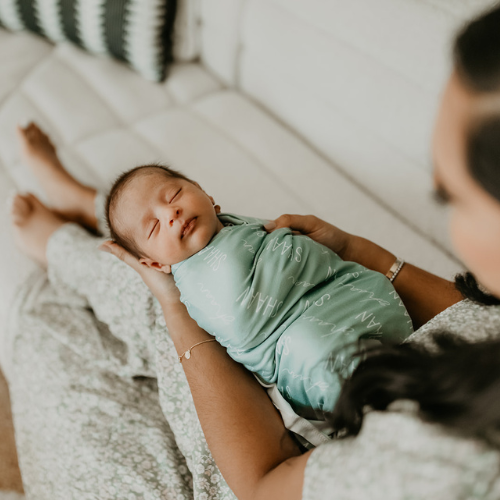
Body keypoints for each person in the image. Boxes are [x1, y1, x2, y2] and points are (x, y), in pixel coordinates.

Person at [7, 4, 500, 499]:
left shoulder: (437, 464)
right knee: (198, 243)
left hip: (272, 458)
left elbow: (263, 484)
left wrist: (175, 306)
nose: (451, 226)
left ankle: (66, 241)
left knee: (130, 303)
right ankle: (87, 204)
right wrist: (352, 249)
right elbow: (468, 316)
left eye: (450, 197)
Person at [103, 163, 412, 432]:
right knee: (318, 355)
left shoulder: (238, 225)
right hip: (299, 344)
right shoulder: (190, 284)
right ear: (156, 265)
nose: (171, 213)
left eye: (174, 196)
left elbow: (290, 247)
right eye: (154, 226)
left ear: (205, 193)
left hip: (346, 294)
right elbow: (239, 325)